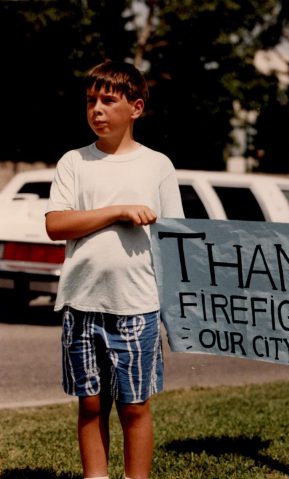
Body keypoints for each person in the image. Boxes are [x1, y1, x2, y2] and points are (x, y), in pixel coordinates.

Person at [45, 60, 184, 479]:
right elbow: (56, 224)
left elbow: (174, 237)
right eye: (91, 101)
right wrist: (117, 211)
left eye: (108, 101)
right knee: (90, 403)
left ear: (136, 108)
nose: (97, 110)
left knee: (134, 405)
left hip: (136, 306)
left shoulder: (157, 165)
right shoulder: (74, 162)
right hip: (81, 302)